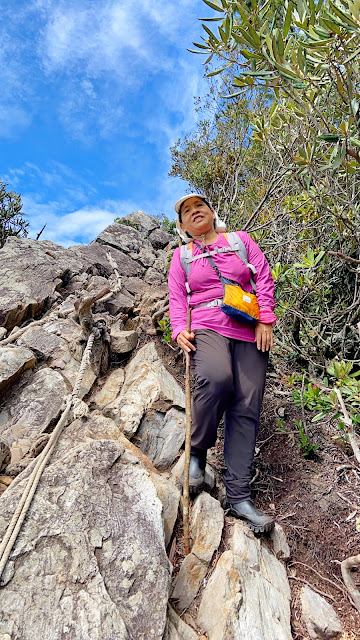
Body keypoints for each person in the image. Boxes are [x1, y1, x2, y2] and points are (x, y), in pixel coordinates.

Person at [168, 193, 277, 533]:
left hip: (248, 328)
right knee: (215, 378)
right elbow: (176, 296)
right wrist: (178, 329)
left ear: (213, 212)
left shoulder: (240, 241)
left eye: (199, 206)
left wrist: (266, 318)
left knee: (247, 406)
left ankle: (239, 495)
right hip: (206, 324)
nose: (194, 211)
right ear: (184, 226)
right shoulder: (182, 256)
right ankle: (198, 452)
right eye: (187, 211)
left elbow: (263, 277)